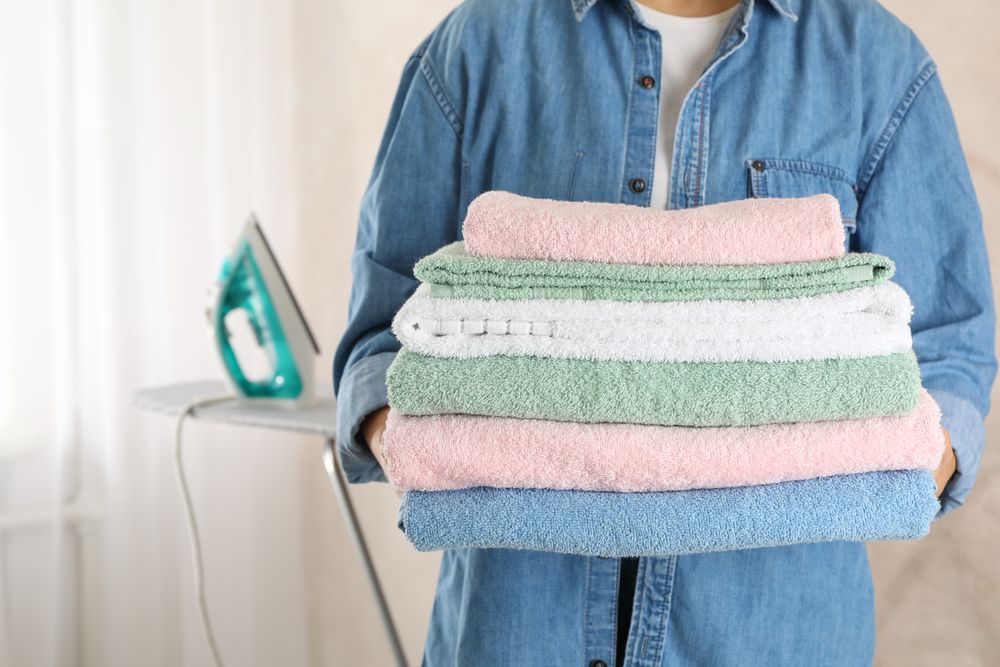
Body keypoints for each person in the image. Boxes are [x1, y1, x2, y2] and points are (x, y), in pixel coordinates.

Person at [333, 0, 996, 664]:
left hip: (776, 641)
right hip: (517, 636)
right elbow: (387, 329)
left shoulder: (874, 61)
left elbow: (948, 350)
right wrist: (425, 448)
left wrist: (865, 480)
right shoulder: (478, 46)